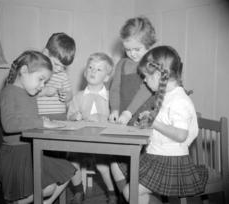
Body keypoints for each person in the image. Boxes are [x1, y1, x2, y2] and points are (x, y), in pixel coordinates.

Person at [120, 46, 208, 203]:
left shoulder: (179, 100)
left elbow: (181, 135)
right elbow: (164, 126)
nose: (144, 80)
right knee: (129, 189)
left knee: (130, 192)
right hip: (158, 155)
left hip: (170, 161)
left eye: (146, 76)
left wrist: (155, 124)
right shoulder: (167, 96)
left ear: (159, 75)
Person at [0, 50, 77, 204]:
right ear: (23, 71)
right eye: (41, 79)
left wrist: (47, 123)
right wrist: (41, 122)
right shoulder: (9, 92)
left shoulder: (29, 94)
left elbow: (29, 120)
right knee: (47, 188)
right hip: (15, 154)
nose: (41, 86)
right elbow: (9, 125)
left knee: (68, 171)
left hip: (31, 149)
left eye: (45, 82)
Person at [108, 15, 157, 195]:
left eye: (138, 49)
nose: (133, 54)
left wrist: (128, 112)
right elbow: (115, 90)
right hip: (124, 121)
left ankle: (138, 196)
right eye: (128, 49)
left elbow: (145, 91)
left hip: (143, 121)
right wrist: (114, 109)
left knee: (142, 168)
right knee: (115, 163)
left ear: (149, 44)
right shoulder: (121, 64)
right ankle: (129, 196)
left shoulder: (153, 63)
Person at [67, 53, 117, 204]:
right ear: (84, 72)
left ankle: (112, 193)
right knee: (71, 161)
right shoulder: (78, 96)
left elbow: (115, 120)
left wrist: (102, 118)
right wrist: (74, 116)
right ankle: (78, 191)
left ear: (107, 77)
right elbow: (69, 116)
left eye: (99, 69)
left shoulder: (111, 97)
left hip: (103, 143)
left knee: (102, 166)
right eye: (90, 67)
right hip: (81, 141)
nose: (93, 71)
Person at [37, 32, 75, 120]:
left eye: (64, 67)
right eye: (56, 64)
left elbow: (70, 94)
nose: (60, 69)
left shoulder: (63, 75)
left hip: (60, 116)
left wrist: (66, 96)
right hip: (39, 116)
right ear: (45, 53)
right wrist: (44, 92)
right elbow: (27, 94)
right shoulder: (36, 73)